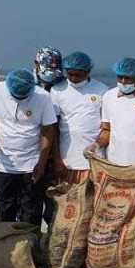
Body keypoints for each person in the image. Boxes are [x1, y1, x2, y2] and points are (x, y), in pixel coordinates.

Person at [85, 57, 135, 255]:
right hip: (116, 163)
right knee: (119, 206)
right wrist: (95, 145)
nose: (124, 82)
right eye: (120, 78)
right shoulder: (110, 97)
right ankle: (119, 243)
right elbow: (106, 130)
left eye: (128, 79)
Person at [0, 68, 57, 227]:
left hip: (31, 164)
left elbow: (48, 130)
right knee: (4, 209)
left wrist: (41, 164)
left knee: (31, 211)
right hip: (3, 165)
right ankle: (4, 247)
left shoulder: (43, 97)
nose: (20, 100)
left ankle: (29, 248)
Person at [51, 51, 107, 189]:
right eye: (70, 74)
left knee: (92, 202)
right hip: (67, 158)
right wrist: (57, 159)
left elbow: (107, 126)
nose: (74, 78)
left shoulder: (102, 90)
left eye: (78, 75)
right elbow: (53, 128)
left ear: (88, 72)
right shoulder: (57, 91)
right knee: (68, 203)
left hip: (95, 158)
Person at [32, 47, 64, 226]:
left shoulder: (61, 87)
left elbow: (58, 128)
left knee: (54, 206)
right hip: (29, 156)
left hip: (54, 156)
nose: (51, 75)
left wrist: (58, 157)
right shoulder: (27, 87)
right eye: (47, 70)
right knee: (30, 205)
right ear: (36, 65)